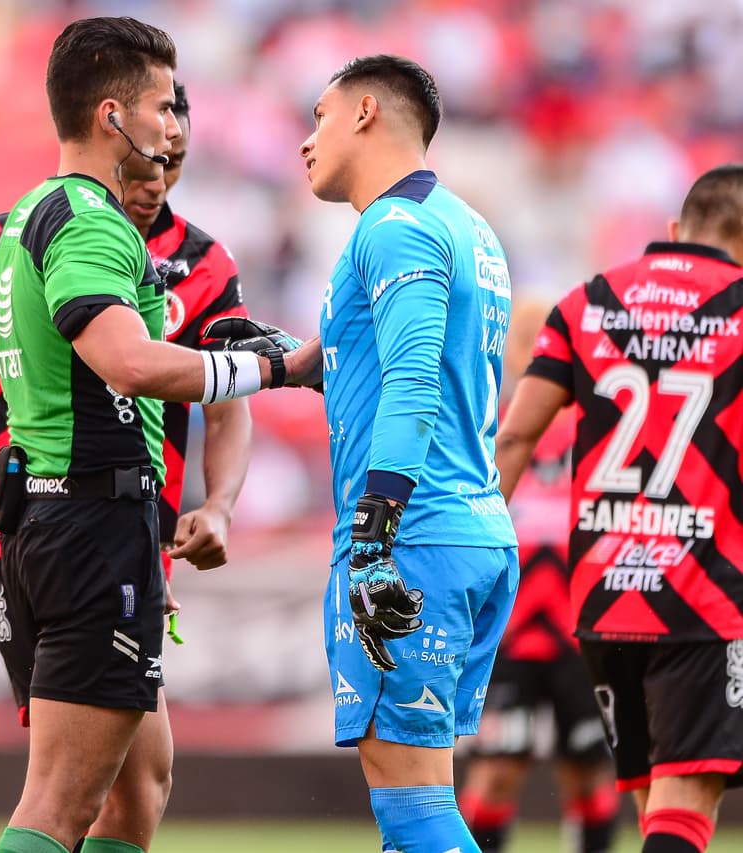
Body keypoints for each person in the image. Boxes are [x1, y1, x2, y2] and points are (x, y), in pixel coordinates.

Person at [0, 16, 320, 853]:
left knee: (140, 781)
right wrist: (276, 370)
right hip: (89, 522)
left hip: (55, 514)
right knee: (59, 804)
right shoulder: (93, 220)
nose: (176, 128)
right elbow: (128, 364)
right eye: (164, 107)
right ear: (110, 116)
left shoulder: (27, 215)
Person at [0, 81, 251, 851]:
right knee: (72, 792)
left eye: (176, 162)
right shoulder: (17, 235)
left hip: (118, 532)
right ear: (118, 133)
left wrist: (219, 502)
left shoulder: (203, 261)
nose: (159, 176)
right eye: (153, 155)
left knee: (141, 779)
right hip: (38, 525)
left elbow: (227, 405)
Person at [299, 54, 519, 853]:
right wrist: (294, 363)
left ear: (364, 112)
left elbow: (415, 379)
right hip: (473, 528)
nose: (305, 141)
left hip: (411, 533)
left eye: (317, 116)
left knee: (413, 807)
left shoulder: (392, 227)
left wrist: (373, 532)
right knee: (421, 794)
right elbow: (413, 365)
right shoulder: (470, 227)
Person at [495, 163, 743, 853]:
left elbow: (516, 433)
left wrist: (475, 544)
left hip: (604, 601)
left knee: (655, 803)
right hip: (701, 595)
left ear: (674, 232)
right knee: (687, 801)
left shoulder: (587, 302)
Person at [459, 302, 618, 853]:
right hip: (509, 630)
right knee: (497, 769)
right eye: (523, 335)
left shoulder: (601, 429)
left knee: (590, 771)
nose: (532, 349)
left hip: (584, 631)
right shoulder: (488, 427)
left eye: (542, 336)